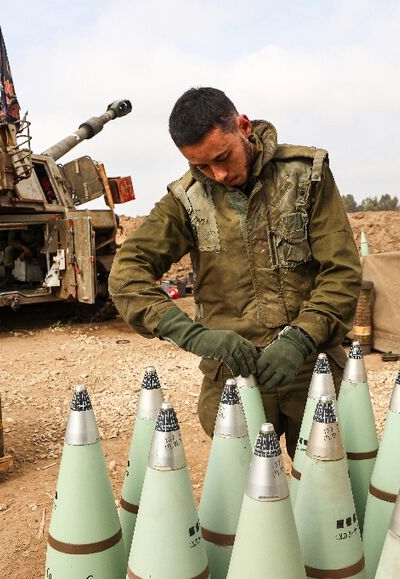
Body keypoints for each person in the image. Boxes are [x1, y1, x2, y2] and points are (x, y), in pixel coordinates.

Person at [108, 87, 361, 455]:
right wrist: (195, 337)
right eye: (202, 166)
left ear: (243, 127)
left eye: (223, 157)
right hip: (234, 374)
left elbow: (341, 270)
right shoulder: (186, 199)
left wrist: (302, 337)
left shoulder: (307, 176)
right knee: (247, 499)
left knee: (329, 489)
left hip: (311, 367)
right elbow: (127, 273)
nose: (219, 174)